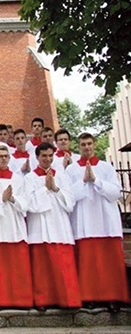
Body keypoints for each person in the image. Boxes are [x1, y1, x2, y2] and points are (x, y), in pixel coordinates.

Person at [65, 133, 129, 311]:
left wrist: (96, 180)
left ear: (94, 145)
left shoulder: (106, 167)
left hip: (105, 221)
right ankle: (89, 297)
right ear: (79, 147)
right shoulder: (71, 170)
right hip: (84, 221)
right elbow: (69, 197)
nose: (86, 147)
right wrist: (84, 181)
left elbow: (116, 192)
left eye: (89, 144)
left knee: (109, 264)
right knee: (88, 264)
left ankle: (113, 298)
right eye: (83, 144)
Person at [24, 142, 81, 310]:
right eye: (44, 156)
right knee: (42, 269)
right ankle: (43, 301)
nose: (47, 159)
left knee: (64, 266)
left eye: (50, 156)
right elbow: (30, 204)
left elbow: (70, 203)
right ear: (37, 157)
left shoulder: (62, 176)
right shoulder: (30, 178)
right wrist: (45, 189)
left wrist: (55, 188)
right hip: (40, 227)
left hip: (59, 224)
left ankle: (68, 300)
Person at [0, 146, 33, 309]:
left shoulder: (18, 179)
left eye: (5, 156)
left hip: (14, 225)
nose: (3, 159)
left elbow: (26, 202)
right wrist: (1, 199)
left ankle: (21, 299)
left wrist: (13, 199)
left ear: (9, 158)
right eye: (0, 156)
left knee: (17, 266)